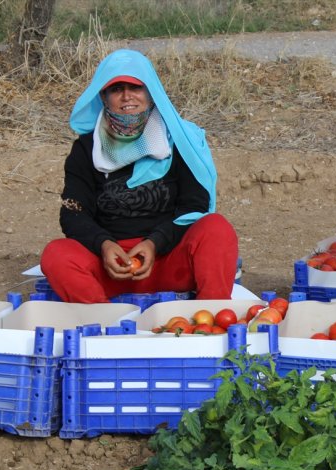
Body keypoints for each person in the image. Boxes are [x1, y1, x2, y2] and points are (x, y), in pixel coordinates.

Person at [40, 49, 238, 303]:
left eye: (135, 87)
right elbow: (73, 212)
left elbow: (195, 205)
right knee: (57, 254)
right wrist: (104, 245)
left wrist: (155, 243)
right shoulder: (87, 149)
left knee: (216, 229)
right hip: (110, 268)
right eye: (116, 89)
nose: (126, 97)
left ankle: (208, 318)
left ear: (151, 92)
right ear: (103, 96)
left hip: (167, 262)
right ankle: (105, 323)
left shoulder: (178, 141)